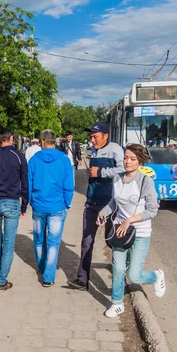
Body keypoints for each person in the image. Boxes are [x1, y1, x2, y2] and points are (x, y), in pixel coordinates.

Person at [97, 144, 165, 318]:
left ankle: (156, 276)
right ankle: (117, 303)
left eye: (132, 159)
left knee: (134, 276)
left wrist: (130, 220)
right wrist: (103, 212)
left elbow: (152, 210)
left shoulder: (145, 181)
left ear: (140, 161)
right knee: (118, 269)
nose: (127, 162)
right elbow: (114, 202)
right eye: (126, 158)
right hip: (121, 231)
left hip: (140, 232)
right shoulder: (117, 178)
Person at [69, 123, 124, 291]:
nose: (92, 140)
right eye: (91, 137)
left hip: (110, 204)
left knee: (112, 241)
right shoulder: (93, 150)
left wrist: (100, 172)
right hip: (92, 202)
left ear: (105, 136)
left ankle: (119, 279)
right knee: (87, 241)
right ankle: (82, 279)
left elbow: (123, 169)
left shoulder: (116, 150)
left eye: (95, 136)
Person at [28, 130, 74, 287]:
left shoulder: (34, 160)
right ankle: (48, 276)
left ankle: (41, 267)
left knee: (39, 239)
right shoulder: (64, 160)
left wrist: (30, 201)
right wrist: (67, 202)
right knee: (54, 242)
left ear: (42, 142)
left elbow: (29, 182)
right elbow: (69, 185)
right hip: (57, 206)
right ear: (55, 142)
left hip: (38, 206)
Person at [0, 130, 28, 292]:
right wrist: (24, 205)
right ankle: (1, 280)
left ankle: (0, 272)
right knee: (9, 244)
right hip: (12, 202)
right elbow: (25, 183)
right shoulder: (19, 157)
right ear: (11, 139)